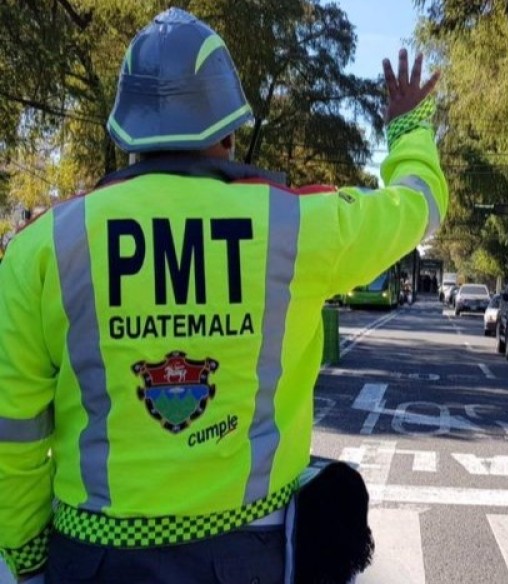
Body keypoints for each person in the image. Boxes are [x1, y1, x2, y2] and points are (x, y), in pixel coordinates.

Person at [0, 7, 447, 584]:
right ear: (230, 131)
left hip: (91, 560)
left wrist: (29, 557)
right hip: (247, 559)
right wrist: (410, 129)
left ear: (124, 132)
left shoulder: (42, 248)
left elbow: (13, 432)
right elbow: (418, 207)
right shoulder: (297, 227)